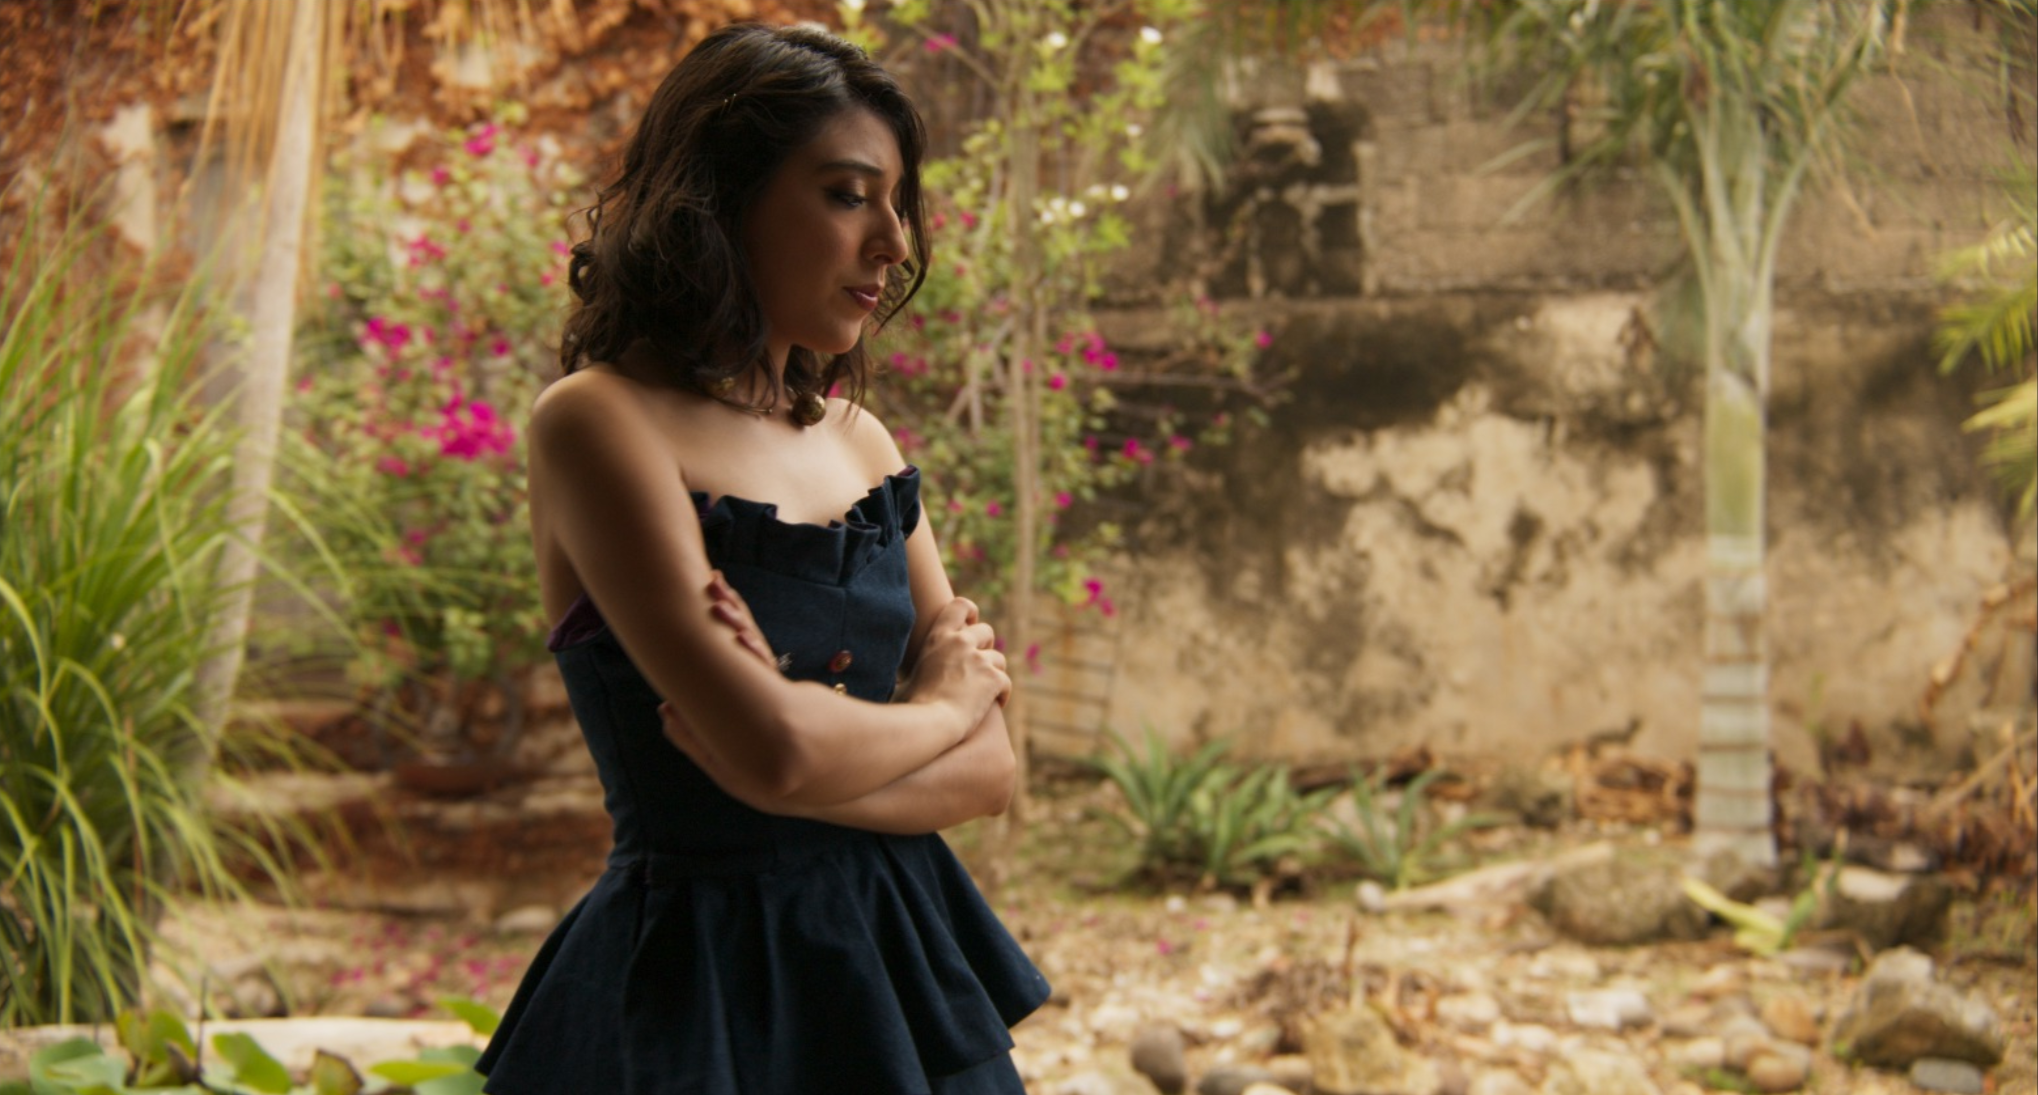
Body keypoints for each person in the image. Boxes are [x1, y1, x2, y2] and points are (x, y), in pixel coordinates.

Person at [474, 21, 1049, 1095]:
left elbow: (990, 772)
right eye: (846, 194)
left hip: (900, 972)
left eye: (896, 203)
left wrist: (792, 765)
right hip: (702, 999)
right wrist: (931, 708)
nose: (893, 241)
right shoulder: (598, 424)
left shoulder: (861, 444)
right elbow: (780, 745)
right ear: (719, 197)